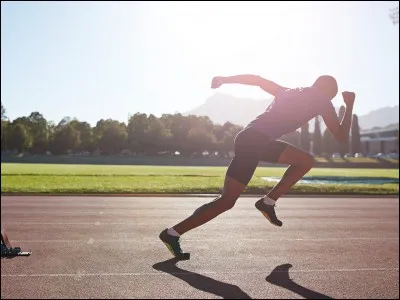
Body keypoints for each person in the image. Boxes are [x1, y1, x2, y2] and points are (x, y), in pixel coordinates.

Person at [159, 74, 356, 260]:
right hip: (257, 141)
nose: (328, 102)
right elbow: (340, 136)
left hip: (249, 138)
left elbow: (257, 80)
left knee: (228, 200)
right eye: (331, 97)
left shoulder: (287, 91)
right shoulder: (322, 99)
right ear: (327, 91)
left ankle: (173, 233)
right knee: (304, 162)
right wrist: (349, 105)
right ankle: (267, 202)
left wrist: (225, 79)